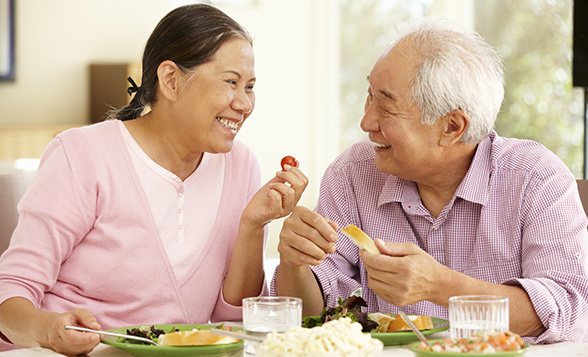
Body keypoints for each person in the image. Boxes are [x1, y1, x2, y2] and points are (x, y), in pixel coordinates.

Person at [0, 4, 308, 355]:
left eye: (250, 86)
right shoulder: (82, 154)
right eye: (231, 82)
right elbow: (9, 293)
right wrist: (49, 330)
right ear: (171, 80)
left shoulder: (242, 165)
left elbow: (228, 317)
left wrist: (252, 227)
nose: (245, 103)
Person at [273, 17, 588, 344]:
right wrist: (294, 263)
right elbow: (312, 316)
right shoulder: (352, 173)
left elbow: (565, 309)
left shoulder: (535, 177)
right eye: (370, 96)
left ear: (452, 127)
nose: (366, 121)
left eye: (386, 106)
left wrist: (442, 287)